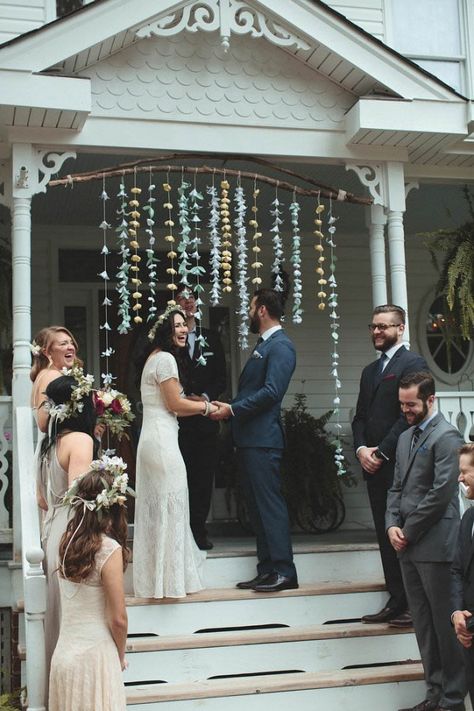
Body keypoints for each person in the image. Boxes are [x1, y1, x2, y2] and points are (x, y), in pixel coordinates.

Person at [386, 371, 466, 711]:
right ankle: (434, 695)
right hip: (407, 545)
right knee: (422, 625)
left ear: (431, 400)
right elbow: (395, 488)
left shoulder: (447, 437)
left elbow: (440, 493)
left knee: (444, 627)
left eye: (412, 404)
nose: (406, 410)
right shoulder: (405, 438)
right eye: (402, 404)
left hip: (436, 546)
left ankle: (452, 699)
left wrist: (409, 530)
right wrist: (391, 525)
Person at [212, 288, 297, 593]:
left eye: (250, 308)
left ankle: (284, 570)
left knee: (269, 505)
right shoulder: (265, 345)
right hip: (249, 439)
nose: (248, 314)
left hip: (263, 440)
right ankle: (267, 569)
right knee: (257, 508)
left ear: (261, 310)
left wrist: (232, 408)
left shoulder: (281, 347)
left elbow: (272, 392)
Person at [133, 305, 218, 599]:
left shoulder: (153, 358)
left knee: (162, 508)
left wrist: (196, 402)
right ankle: (170, 582)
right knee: (172, 504)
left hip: (154, 437)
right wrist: (207, 407)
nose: (184, 329)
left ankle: (161, 579)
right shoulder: (166, 359)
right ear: (165, 331)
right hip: (162, 440)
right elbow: (175, 405)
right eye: (177, 325)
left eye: (185, 325)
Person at [352, 304, 427, 626]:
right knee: (385, 535)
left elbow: (409, 416)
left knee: (404, 534)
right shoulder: (370, 371)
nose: (377, 332)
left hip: (401, 465)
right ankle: (396, 600)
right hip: (373, 466)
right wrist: (360, 450)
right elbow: (359, 417)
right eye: (373, 327)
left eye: (384, 326)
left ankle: (414, 603)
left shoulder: (413, 363)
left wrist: (381, 452)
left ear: (401, 328)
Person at [49, 456, 131, 711]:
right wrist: (119, 655)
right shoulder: (109, 549)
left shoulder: (66, 541)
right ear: (115, 506)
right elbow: (118, 619)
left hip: (64, 657)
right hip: (96, 659)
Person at [40, 371, 98, 673]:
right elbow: (81, 495)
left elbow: (41, 498)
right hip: (71, 530)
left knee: (56, 612)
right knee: (74, 614)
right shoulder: (80, 440)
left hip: (51, 527)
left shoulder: (49, 445)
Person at [175, 287, 227, 550]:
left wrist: (205, 397)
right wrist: (184, 398)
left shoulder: (211, 337)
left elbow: (221, 376)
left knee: (203, 477)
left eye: (192, 298)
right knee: (179, 476)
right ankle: (179, 532)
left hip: (205, 420)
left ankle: (199, 530)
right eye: (182, 299)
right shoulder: (170, 340)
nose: (188, 303)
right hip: (178, 421)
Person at [30, 326, 81, 505]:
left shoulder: (50, 375)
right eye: (63, 344)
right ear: (47, 352)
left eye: (71, 342)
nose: (70, 347)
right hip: (55, 451)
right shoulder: (51, 376)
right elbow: (44, 423)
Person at [451, 443, 474, 709]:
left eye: (464, 471)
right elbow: (457, 569)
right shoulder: (467, 518)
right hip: (469, 637)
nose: (459, 478)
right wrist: (457, 613)